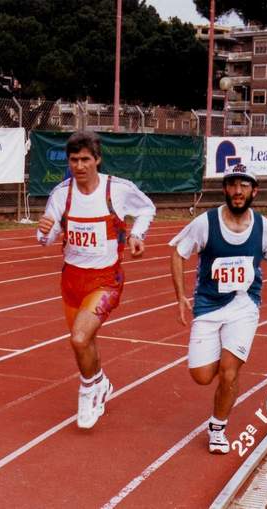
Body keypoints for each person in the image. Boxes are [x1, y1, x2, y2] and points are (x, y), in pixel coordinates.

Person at [37, 131, 156, 429]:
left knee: (78, 337)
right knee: (85, 340)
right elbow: (47, 238)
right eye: (74, 160)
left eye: (85, 159)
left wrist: (137, 235)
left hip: (106, 279)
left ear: (97, 159)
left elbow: (146, 208)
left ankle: (88, 392)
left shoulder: (116, 189)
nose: (79, 166)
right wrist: (43, 231)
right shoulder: (61, 194)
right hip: (71, 279)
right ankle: (100, 382)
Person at [169, 163, 267, 454]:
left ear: (254, 191)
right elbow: (177, 252)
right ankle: (223, 388)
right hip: (209, 307)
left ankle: (218, 428)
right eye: (233, 185)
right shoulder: (205, 223)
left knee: (229, 371)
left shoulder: (264, 226)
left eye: (244, 186)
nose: (238, 191)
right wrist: (181, 296)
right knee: (201, 375)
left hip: (244, 306)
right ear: (225, 189)